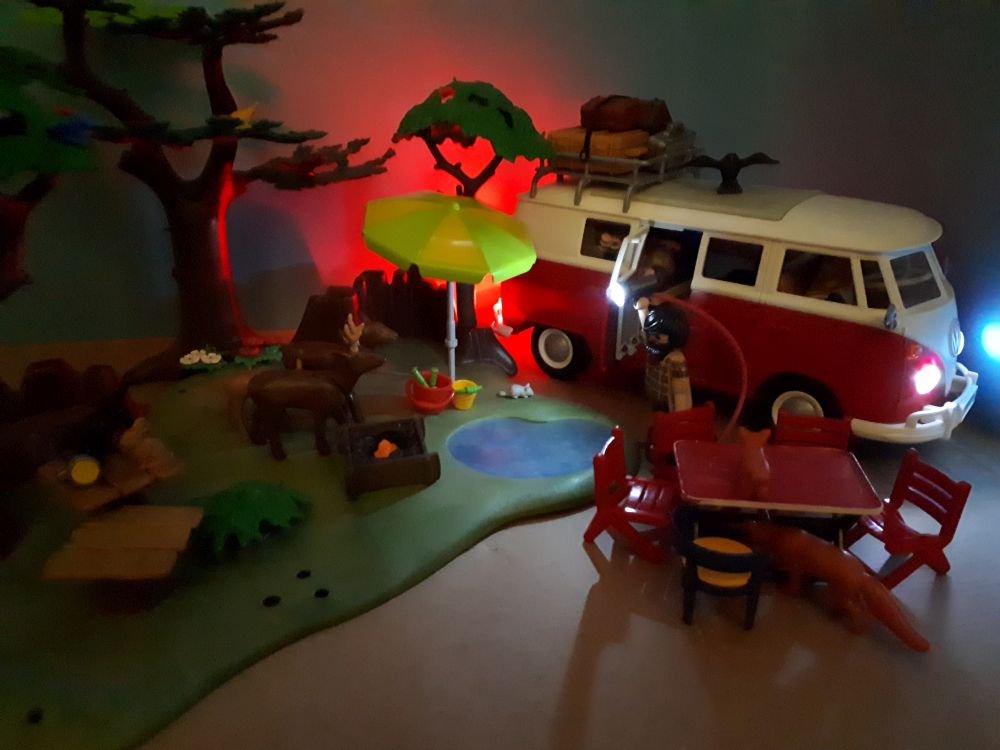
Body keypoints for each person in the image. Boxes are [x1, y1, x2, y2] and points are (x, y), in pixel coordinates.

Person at [637, 300, 692, 412]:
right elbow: (645, 331)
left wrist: (680, 416)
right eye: (651, 335)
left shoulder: (675, 360)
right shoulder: (653, 350)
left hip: (668, 407)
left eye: (657, 337)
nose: (652, 339)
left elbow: (681, 392)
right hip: (655, 399)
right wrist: (642, 308)